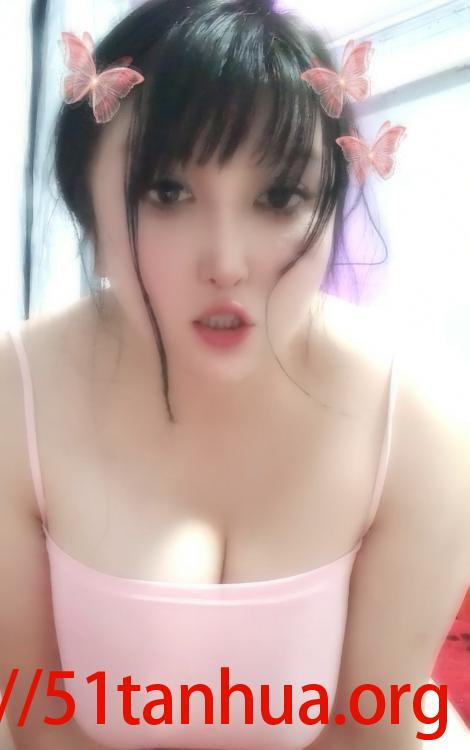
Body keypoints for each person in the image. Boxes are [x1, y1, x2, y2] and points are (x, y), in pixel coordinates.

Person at [0, 1, 469, 748]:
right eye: (167, 192)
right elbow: (36, 717)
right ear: (86, 206)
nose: (226, 263)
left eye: (279, 197)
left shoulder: (418, 423)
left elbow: (372, 730)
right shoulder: (18, 396)